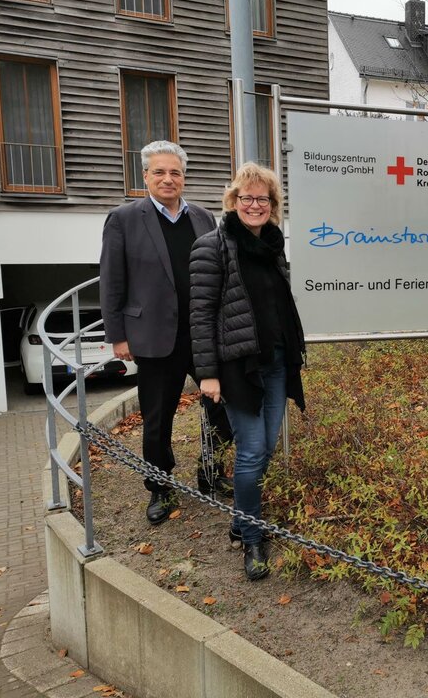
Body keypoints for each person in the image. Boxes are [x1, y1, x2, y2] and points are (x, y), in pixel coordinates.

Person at [100, 140, 233, 526]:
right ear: (145, 176)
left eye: (175, 172)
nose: (167, 179)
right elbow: (112, 280)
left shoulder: (204, 218)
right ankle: (160, 486)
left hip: (202, 335)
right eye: (159, 171)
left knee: (221, 408)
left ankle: (211, 472)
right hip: (154, 337)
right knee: (158, 419)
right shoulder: (123, 219)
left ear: (184, 177)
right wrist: (118, 335)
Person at [190, 162, 306, 581]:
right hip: (237, 368)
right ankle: (252, 538)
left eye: (263, 198)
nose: (254, 205)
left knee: (266, 449)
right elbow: (200, 315)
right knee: (252, 449)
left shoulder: (272, 245)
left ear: (272, 206)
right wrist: (208, 374)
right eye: (247, 197)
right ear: (233, 201)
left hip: (275, 363)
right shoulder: (212, 246)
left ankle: (241, 521)